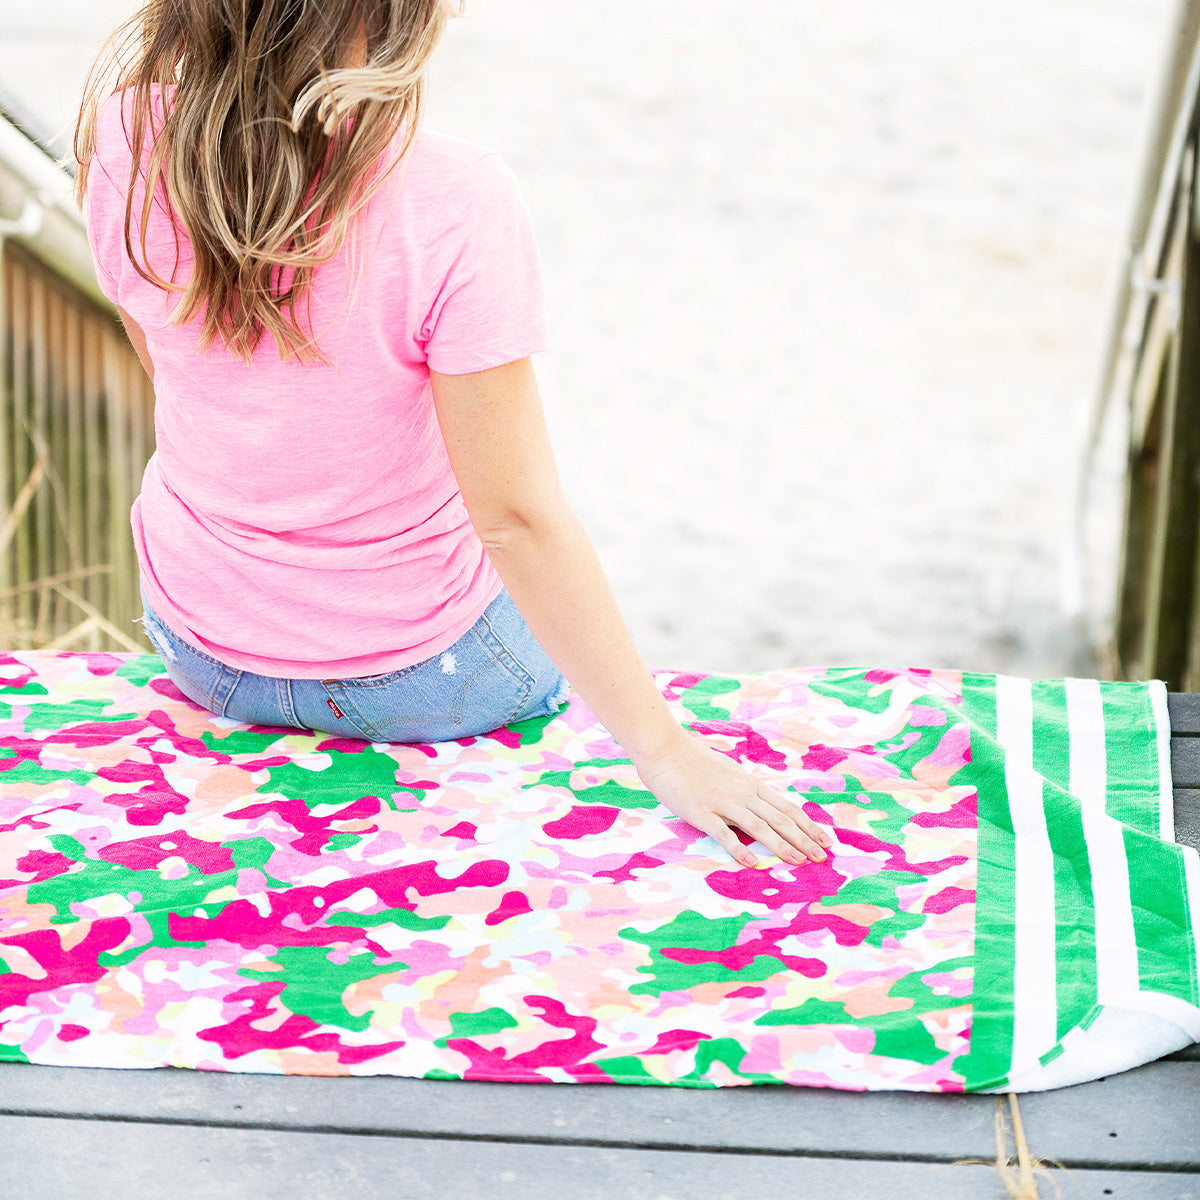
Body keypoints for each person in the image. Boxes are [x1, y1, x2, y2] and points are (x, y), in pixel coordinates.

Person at [74, 0, 830, 870]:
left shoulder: (125, 128)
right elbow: (515, 518)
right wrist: (668, 753)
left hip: (202, 646)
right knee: (543, 594)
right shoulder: (453, 195)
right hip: (421, 681)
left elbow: (168, 366)